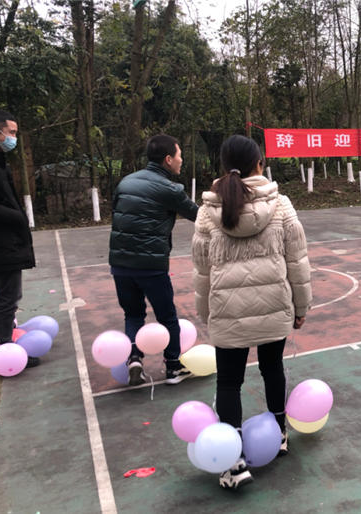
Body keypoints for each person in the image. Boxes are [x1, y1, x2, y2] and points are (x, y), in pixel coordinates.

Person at [191, 135, 312, 490]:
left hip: (227, 311)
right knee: (273, 369)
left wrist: (206, 312)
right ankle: (280, 432)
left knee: (229, 382)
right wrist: (301, 306)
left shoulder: (207, 211)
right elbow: (297, 262)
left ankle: (232, 462)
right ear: (259, 164)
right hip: (273, 306)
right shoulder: (281, 205)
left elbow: (202, 271)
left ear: (223, 166)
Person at [108, 134, 199, 385]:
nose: (181, 160)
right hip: (151, 265)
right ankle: (173, 367)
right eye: (179, 155)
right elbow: (198, 216)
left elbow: (116, 212)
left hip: (120, 262)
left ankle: (134, 358)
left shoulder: (126, 182)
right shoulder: (170, 189)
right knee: (167, 316)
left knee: (133, 314)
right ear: (168, 159)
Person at [0, 111, 38, 366]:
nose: (14, 137)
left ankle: (8, 336)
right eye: (11, 132)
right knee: (7, 294)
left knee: (11, 292)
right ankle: (7, 348)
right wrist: (16, 216)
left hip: (7, 240)